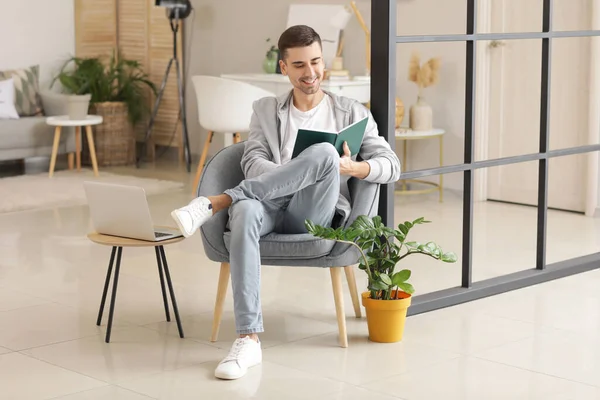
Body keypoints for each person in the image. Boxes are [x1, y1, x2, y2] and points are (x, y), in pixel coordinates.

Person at [171, 25, 401, 380]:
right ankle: (248, 338)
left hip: (313, 211)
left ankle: (216, 202)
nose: (310, 73)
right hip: (266, 204)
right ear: (283, 68)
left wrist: (352, 166)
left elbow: (392, 166)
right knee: (245, 210)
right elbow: (251, 161)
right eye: (299, 65)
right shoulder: (265, 110)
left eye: (316, 62)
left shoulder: (352, 112)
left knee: (324, 152)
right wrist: (293, 171)